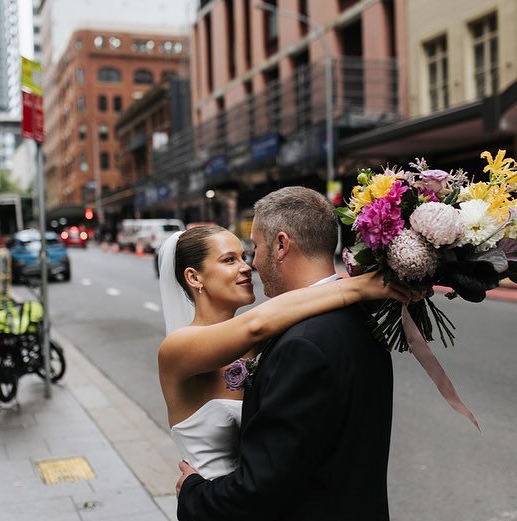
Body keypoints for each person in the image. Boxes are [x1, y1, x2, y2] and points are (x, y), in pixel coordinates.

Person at [160, 188, 420, 521]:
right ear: (194, 277)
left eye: (249, 251)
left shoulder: (294, 339)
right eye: (230, 259)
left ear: (282, 245)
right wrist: (354, 287)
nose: (248, 266)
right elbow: (259, 323)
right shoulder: (181, 347)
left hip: (233, 504)